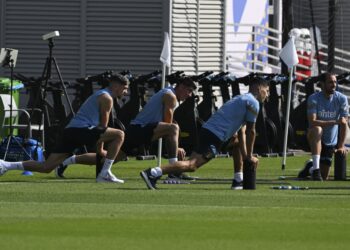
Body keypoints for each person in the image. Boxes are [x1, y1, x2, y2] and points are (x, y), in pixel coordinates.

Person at [140, 77, 270, 190]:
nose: (267, 94)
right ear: (259, 89)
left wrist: (247, 156)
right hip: (215, 136)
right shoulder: (253, 103)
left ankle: (238, 180)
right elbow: (251, 131)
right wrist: (250, 156)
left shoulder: (241, 98)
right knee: (192, 165)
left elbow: (242, 132)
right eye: (267, 90)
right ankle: (153, 172)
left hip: (211, 132)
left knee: (236, 143)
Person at [54, 77, 196, 178]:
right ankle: (173, 170)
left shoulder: (171, 94)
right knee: (173, 128)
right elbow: (168, 122)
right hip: (140, 129)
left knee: (109, 158)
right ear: (181, 87)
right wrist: (176, 147)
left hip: (142, 130)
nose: (189, 95)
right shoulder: (170, 96)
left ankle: (67, 161)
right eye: (188, 91)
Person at [0, 73, 129, 183]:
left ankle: (6, 165)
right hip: (81, 130)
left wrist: (100, 149)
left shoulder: (103, 95)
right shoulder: (107, 98)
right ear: (116, 86)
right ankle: (105, 173)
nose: (125, 92)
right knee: (119, 134)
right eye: (124, 88)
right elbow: (103, 127)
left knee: (46, 167)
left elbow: (101, 130)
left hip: (70, 131)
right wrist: (100, 149)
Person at [297, 72, 348, 181]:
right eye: (330, 82)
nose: (334, 84)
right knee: (317, 129)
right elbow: (313, 122)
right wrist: (335, 121)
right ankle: (315, 170)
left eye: (335, 82)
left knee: (324, 176)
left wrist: (341, 146)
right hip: (314, 137)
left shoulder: (342, 99)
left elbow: (344, 123)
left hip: (330, 141)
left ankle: (310, 167)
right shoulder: (313, 98)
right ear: (322, 84)